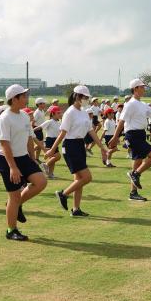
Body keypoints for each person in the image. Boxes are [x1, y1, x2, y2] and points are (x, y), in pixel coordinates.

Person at [0, 84, 47, 241]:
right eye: (23, 96)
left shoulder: (24, 116)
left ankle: (15, 205)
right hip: (6, 158)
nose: (26, 98)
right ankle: (11, 230)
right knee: (14, 196)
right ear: (14, 99)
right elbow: (4, 144)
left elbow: (29, 139)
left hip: (23, 156)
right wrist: (13, 168)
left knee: (41, 181)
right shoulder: (4, 118)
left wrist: (33, 159)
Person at [46, 85, 108, 217]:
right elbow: (63, 133)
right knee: (86, 177)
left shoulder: (84, 112)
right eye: (85, 97)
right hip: (70, 146)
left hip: (79, 144)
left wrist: (102, 147)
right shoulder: (70, 112)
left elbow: (91, 131)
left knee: (79, 179)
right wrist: (52, 149)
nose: (86, 99)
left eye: (87, 97)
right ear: (77, 96)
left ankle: (76, 209)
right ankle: (63, 194)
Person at [38, 105, 63, 178]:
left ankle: (50, 174)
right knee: (58, 156)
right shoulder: (49, 121)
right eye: (58, 113)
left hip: (55, 141)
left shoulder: (59, 123)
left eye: (60, 113)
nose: (60, 114)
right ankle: (45, 165)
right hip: (50, 141)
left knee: (53, 159)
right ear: (53, 114)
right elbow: (40, 127)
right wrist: (31, 132)